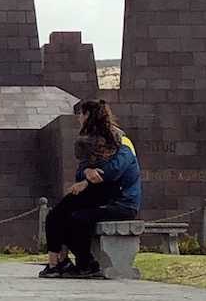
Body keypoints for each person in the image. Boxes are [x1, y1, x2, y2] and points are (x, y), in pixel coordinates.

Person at [39, 99, 141, 280]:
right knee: (56, 214)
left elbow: (114, 170)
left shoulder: (124, 142)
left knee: (76, 218)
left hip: (121, 203)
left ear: (88, 115)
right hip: (101, 195)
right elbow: (82, 171)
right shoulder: (90, 143)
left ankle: (85, 264)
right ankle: (58, 262)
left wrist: (87, 180)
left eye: (80, 114)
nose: (78, 118)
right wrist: (87, 172)